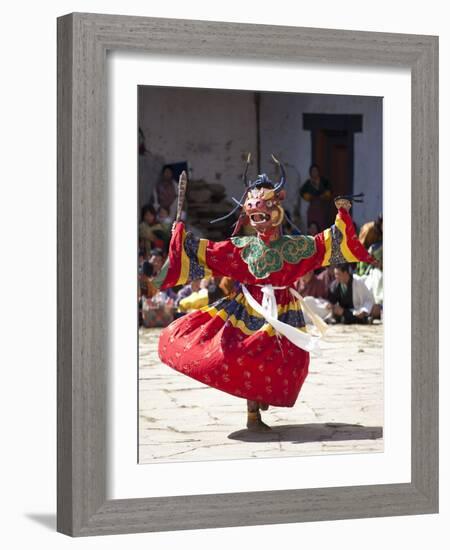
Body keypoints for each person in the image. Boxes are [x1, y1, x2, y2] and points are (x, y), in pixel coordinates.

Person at [152, 155, 374, 431]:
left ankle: (261, 397)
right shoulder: (242, 247)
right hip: (249, 309)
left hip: (285, 312)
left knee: (292, 362)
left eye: (263, 211)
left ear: (276, 210)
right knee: (244, 354)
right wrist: (180, 238)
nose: (258, 218)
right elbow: (207, 253)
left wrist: (342, 214)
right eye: (253, 213)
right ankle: (253, 412)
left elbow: (327, 244)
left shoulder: (296, 247)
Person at [300, 164, 333, 231]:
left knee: (322, 225)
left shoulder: (324, 181)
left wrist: (324, 195)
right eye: (312, 171)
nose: (314, 173)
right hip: (312, 208)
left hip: (322, 208)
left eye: (315, 171)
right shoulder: (308, 183)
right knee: (312, 226)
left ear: (318, 172)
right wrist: (308, 197)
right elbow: (301, 192)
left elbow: (330, 191)